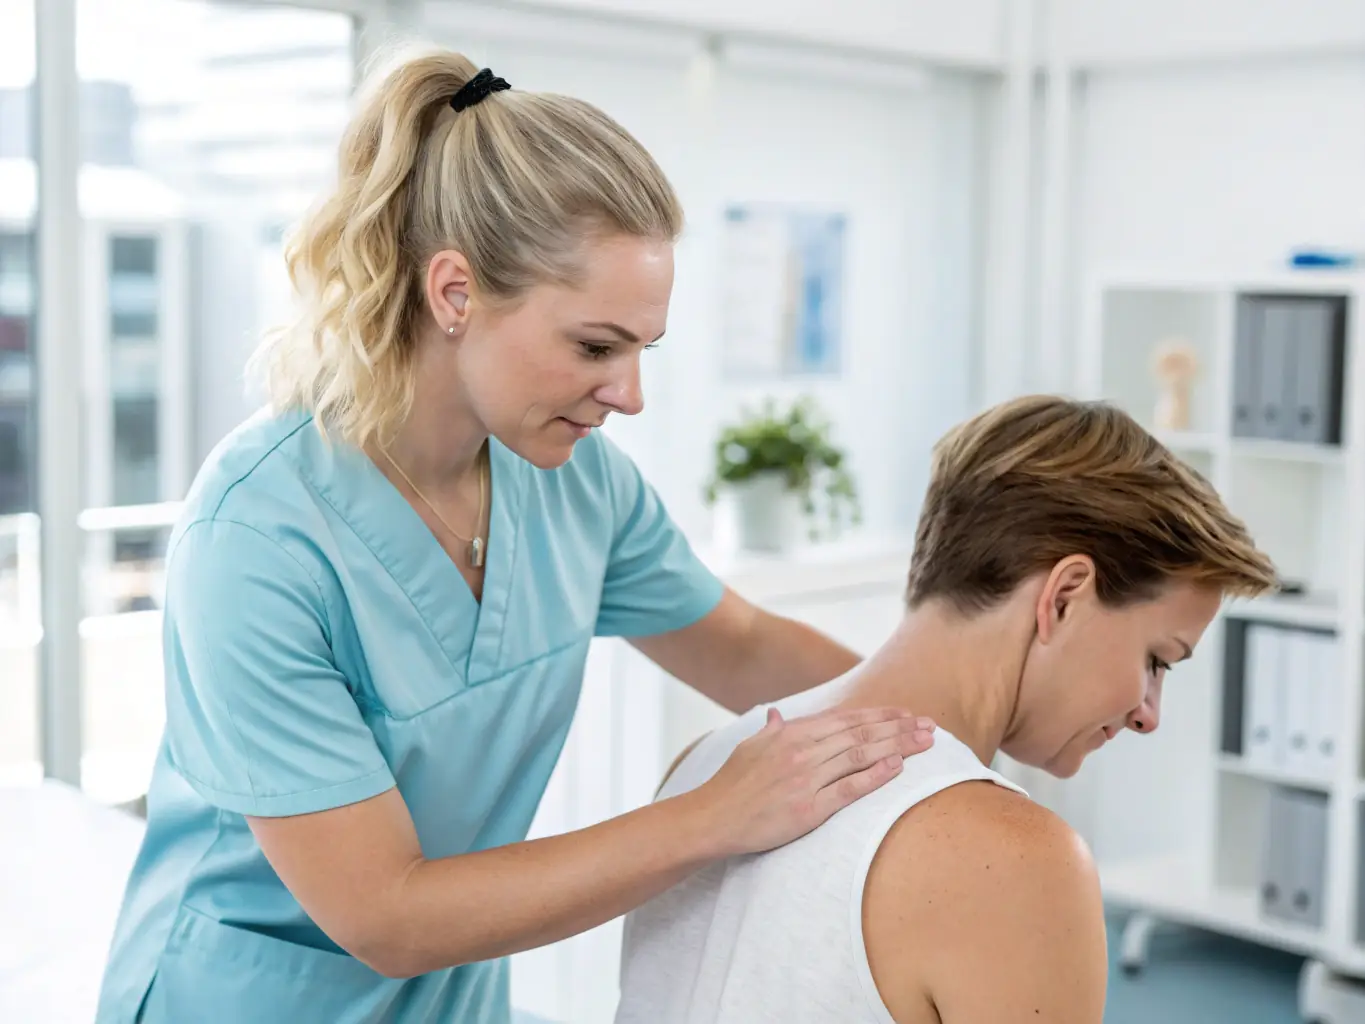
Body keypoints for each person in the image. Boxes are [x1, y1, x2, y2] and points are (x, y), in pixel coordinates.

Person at [93, 50, 938, 1024]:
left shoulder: (575, 485)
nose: (629, 393)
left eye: (641, 349)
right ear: (454, 293)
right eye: (595, 346)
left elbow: (742, 644)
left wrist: (955, 729)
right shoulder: (257, 538)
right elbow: (387, 911)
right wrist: (715, 816)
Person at [615, 395, 1278, 1024]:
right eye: (1156, 660)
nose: (1147, 713)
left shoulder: (704, 765)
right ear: (1065, 595)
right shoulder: (1015, 859)